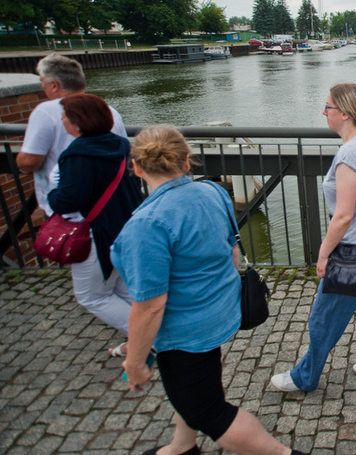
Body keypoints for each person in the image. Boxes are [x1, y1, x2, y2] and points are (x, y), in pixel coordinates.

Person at [111, 125, 307, 455]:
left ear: (137, 168)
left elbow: (150, 306)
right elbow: (232, 253)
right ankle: (181, 446)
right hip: (219, 314)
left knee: (207, 410)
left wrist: (134, 363)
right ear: (187, 162)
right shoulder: (213, 193)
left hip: (183, 334)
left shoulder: (146, 225)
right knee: (196, 391)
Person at [270, 83, 356, 392]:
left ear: (342, 113)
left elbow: (343, 216)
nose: (324, 111)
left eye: (327, 107)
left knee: (323, 318)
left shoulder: (351, 153)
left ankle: (304, 378)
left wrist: (324, 254)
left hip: (355, 253)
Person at [45, 94, 143, 356]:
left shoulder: (78, 155)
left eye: (65, 117)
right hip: (127, 228)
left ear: (78, 123)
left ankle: (149, 340)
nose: (63, 121)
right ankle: (144, 340)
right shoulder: (123, 145)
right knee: (123, 288)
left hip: (97, 235)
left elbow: (67, 200)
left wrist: (51, 193)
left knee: (93, 296)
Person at [17, 53, 127, 214]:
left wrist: (21, 160)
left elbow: (29, 161)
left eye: (42, 81)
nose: (42, 86)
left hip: (68, 210)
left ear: (53, 84)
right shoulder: (109, 110)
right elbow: (124, 154)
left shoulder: (46, 111)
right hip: (107, 207)